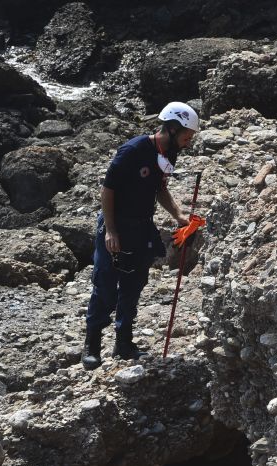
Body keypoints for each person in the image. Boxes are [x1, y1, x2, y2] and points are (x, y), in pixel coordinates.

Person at [81, 101, 199, 370]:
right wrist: (110, 230)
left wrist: (179, 216)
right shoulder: (133, 150)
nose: (187, 143)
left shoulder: (168, 153)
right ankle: (92, 345)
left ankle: (124, 344)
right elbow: (108, 190)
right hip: (116, 225)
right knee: (106, 287)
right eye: (186, 137)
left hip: (142, 226)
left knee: (134, 286)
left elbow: (159, 189)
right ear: (171, 128)